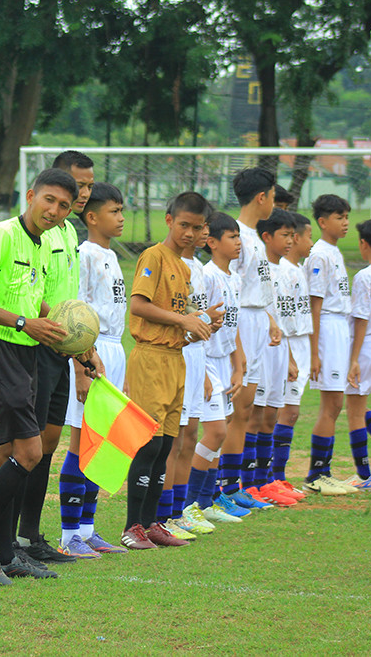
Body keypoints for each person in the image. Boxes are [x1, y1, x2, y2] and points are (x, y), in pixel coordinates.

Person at [0, 167, 73, 585]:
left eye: (63, 206)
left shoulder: (42, 244)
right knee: (29, 453)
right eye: (49, 200)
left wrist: (67, 328)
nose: (54, 210)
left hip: (27, 353)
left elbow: (31, 298)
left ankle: (5, 554)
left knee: (4, 454)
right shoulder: (2, 235)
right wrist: (24, 323)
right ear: (30, 195)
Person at [121, 192, 212, 550]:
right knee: (150, 443)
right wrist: (183, 320)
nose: (190, 233)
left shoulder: (184, 266)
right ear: (170, 220)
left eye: (197, 227)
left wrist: (201, 323)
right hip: (150, 358)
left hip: (176, 358)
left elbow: (176, 318)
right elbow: (138, 305)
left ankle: (151, 523)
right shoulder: (154, 256)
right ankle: (132, 526)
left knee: (167, 445)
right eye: (184, 224)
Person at [17, 149, 96, 564]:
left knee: (48, 441)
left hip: (61, 345)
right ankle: (9, 538)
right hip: (37, 344)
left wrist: (82, 345)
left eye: (88, 186)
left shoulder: (69, 232)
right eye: (77, 185)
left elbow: (70, 300)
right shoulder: (37, 232)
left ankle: (30, 535)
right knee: (27, 444)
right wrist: (65, 331)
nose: (83, 193)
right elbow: (32, 294)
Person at [57, 183, 130, 557]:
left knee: (100, 442)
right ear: (92, 217)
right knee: (81, 440)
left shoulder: (111, 256)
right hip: (91, 351)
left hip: (114, 350)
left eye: (121, 210)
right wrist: (82, 366)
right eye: (114, 211)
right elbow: (75, 313)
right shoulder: (84, 254)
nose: (121, 218)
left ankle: (87, 530)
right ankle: (68, 535)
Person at [157, 210, 224, 541]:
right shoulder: (166, 263)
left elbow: (195, 317)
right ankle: (164, 514)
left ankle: (180, 510)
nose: (201, 233)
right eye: (195, 226)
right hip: (176, 353)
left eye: (204, 227)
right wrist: (197, 323)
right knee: (173, 439)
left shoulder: (198, 268)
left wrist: (208, 323)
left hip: (197, 356)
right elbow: (167, 315)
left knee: (189, 435)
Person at [182, 212, 247, 530]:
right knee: (215, 431)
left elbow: (232, 325)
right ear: (213, 242)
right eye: (232, 237)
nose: (239, 242)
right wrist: (205, 374)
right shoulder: (206, 275)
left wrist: (238, 364)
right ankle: (189, 504)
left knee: (222, 431)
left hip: (224, 361)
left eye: (238, 236)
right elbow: (200, 323)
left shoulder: (234, 278)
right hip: (205, 359)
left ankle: (207, 502)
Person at [220, 168, 278, 512]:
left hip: (257, 321)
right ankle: (221, 488)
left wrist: (269, 319)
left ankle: (235, 485)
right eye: (272, 196)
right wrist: (238, 344)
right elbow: (232, 292)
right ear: (261, 197)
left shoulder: (254, 236)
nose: (273, 202)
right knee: (235, 409)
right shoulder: (237, 236)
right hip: (242, 322)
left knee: (246, 409)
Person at [246, 209, 302, 506]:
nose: (291, 241)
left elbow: (282, 320)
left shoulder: (286, 271)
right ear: (267, 237)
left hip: (280, 348)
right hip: (262, 347)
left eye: (293, 235)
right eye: (285, 235)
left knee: (271, 415)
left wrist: (290, 357)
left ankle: (265, 481)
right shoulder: (260, 268)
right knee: (255, 415)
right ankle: (247, 483)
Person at [304, 194, 357, 495]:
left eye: (347, 216)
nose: (345, 222)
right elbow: (315, 306)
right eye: (339, 217)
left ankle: (324, 471)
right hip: (327, 329)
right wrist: (315, 352)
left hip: (339, 327)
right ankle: (316, 474)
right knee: (332, 403)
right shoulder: (320, 255)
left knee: (336, 404)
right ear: (323, 222)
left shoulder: (334, 252)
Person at [271, 211, 315, 496]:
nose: (312, 242)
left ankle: (278, 477)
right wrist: (288, 355)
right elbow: (277, 317)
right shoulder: (280, 271)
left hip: (300, 342)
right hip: (287, 344)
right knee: (284, 412)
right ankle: (271, 477)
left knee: (290, 412)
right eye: (309, 236)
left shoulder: (297, 269)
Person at [343, 218, 371, 489]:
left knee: (354, 411)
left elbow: (361, 318)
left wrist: (354, 358)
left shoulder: (365, 276)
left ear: (363, 244)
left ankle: (363, 475)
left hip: (370, 345)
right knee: (360, 406)